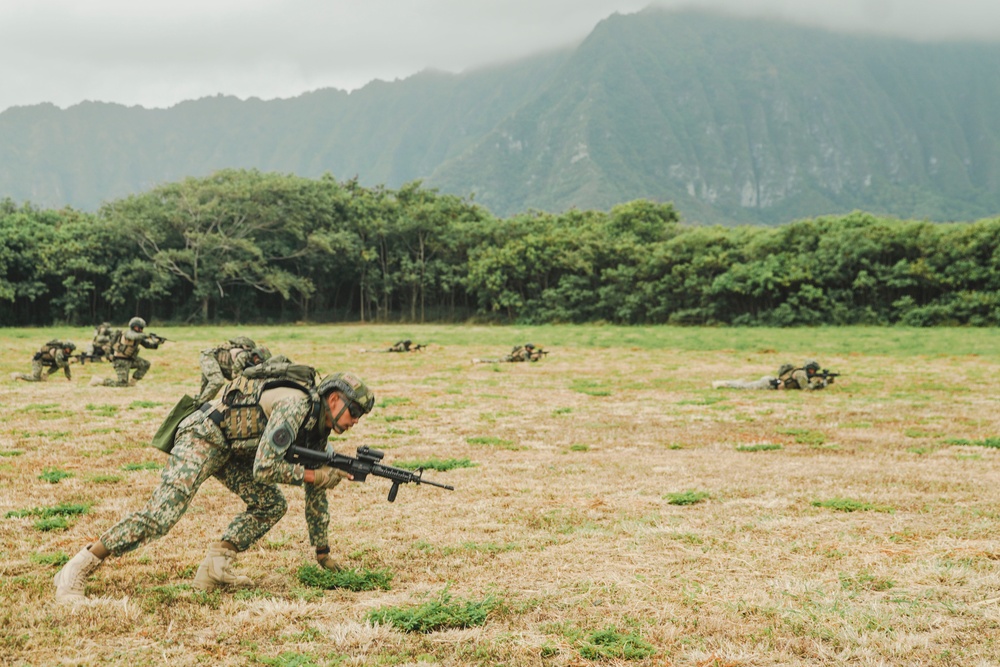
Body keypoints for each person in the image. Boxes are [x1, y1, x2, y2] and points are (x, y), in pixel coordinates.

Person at [53, 371, 375, 602]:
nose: (356, 421)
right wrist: (316, 475)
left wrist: (323, 553)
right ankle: (78, 568)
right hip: (204, 436)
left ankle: (215, 569)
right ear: (334, 399)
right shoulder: (295, 407)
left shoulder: (317, 428)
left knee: (271, 505)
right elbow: (265, 467)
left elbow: (315, 494)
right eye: (355, 412)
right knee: (162, 515)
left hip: (234, 451)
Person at [89, 317, 163, 387]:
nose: (141, 329)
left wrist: (157, 342)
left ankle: (132, 383)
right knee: (122, 384)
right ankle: (99, 381)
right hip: (120, 361)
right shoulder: (128, 333)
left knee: (145, 364)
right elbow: (133, 336)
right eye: (140, 328)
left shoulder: (139, 336)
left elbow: (148, 345)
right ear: (134, 327)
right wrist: (147, 336)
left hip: (130, 359)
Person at [194, 337, 270, 403]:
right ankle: (199, 405)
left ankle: (200, 402)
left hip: (218, 365)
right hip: (209, 357)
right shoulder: (243, 356)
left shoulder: (251, 361)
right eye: (259, 360)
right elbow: (235, 374)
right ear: (256, 355)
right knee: (217, 381)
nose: (258, 363)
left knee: (204, 392)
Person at [712, 360, 834, 390]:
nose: (812, 373)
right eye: (812, 371)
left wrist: (825, 382)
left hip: (772, 382)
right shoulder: (801, 373)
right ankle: (724, 383)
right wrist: (817, 381)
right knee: (745, 387)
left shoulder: (801, 372)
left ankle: (735, 381)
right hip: (771, 384)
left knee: (746, 384)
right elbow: (806, 389)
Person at [11, 340, 76, 382]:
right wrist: (71, 362)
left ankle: (45, 375)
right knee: (35, 378)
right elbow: (61, 364)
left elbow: (65, 365)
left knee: (57, 365)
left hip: (46, 360)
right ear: (66, 348)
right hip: (38, 360)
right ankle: (17, 375)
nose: (71, 351)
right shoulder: (59, 352)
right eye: (70, 349)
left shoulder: (64, 353)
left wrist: (69, 378)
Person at [472, 343, 548, 364]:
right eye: (531, 348)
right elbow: (527, 362)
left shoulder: (525, 351)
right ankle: (478, 360)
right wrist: (535, 358)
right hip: (508, 359)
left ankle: (478, 360)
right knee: (493, 361)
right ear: (527, 348)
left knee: (493, 361)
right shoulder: (524, 352)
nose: (531, 350)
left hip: (509, 359)